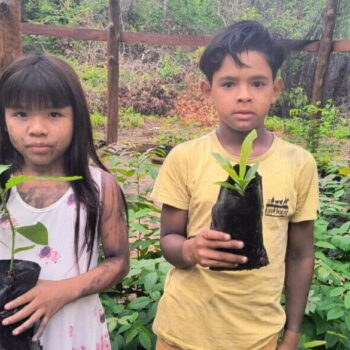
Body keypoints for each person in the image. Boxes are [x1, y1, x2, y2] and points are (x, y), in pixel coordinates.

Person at [151, 20, 319, 350]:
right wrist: (189, 249)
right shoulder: (185, 158)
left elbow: (300, 255)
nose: (244, 96)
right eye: (228, 84)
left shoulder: (298, 164)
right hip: (181, 334)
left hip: (257, 338)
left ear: (275, 88)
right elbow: (169, 239)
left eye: (257, 83)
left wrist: (292, 335)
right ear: (207, 91)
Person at [0, 55, 130, 349]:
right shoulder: (1, 186)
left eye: (54, 114)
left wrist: (63, 291)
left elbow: (119, 261)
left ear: (77, 118)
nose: (37, 128)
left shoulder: (98, 187)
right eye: (20, 114)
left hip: (74, 329)